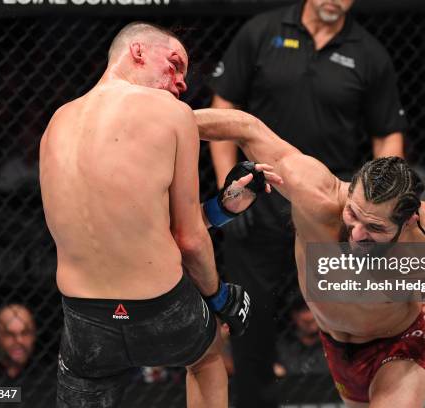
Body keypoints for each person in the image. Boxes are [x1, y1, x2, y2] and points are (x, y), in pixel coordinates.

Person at [39, 22, 280, 408]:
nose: (181, 83)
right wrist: (218, 298)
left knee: (80, 374)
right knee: (207, 357)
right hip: (161, 308)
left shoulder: (56, 123)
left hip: (84, 317)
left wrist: (222, 208)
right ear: (137, 51)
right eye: (175, 64)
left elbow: (139, 230)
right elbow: (187, 239)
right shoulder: (172, 112)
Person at [195, 109, 425, 407]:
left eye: (375, 228)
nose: (356, 233)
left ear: (408, 221)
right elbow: (246, 127)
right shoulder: (314, 194)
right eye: (353, 213)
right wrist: (158, 115)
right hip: (336, 347)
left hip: (402, 342)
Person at [209, 0, 407, 404]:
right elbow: (225, 109)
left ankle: (356, 397)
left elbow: (387, 134)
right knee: (250, 317)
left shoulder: (369, 53)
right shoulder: (261, 32)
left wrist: (380, 204)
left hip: (332, 209)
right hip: (259, 195)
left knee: (348, 310)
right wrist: (226, 189)